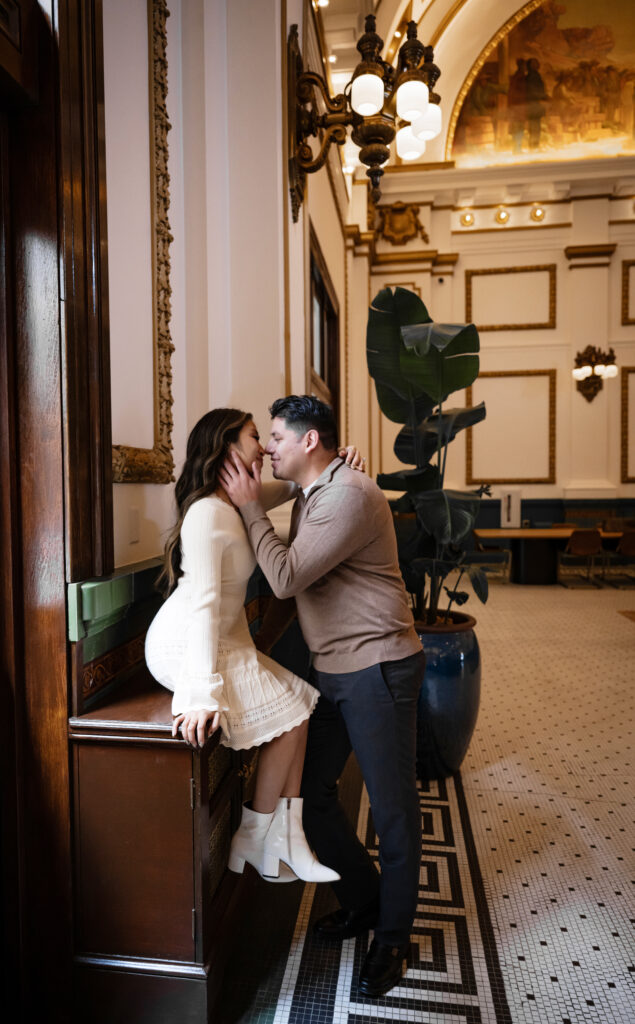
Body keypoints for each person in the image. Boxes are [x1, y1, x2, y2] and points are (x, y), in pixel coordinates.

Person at [220, 395, 426, 1000]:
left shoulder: (347, 495)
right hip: (337, 670)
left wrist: (250, 506)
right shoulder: (321, 486)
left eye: (277, 437)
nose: (268, 447)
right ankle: (365, 899)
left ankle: (392, 938)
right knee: (310, 792)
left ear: (310, 442)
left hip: (380, 669)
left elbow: (284, 578)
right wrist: (259, 491)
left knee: (393, 810)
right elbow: (299, 496)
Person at [144, 407, 363, 887]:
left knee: (302, 707)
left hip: (222, 639)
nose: (264, 446)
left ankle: (285, 838)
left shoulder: (239, 499)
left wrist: (335, 462)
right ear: (226, 448)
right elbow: (202, 602)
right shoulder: (206, 513)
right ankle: (256, 833)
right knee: (293, 716)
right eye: (253, 436)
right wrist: (199, 695)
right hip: (183, 644)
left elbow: (291, 484)